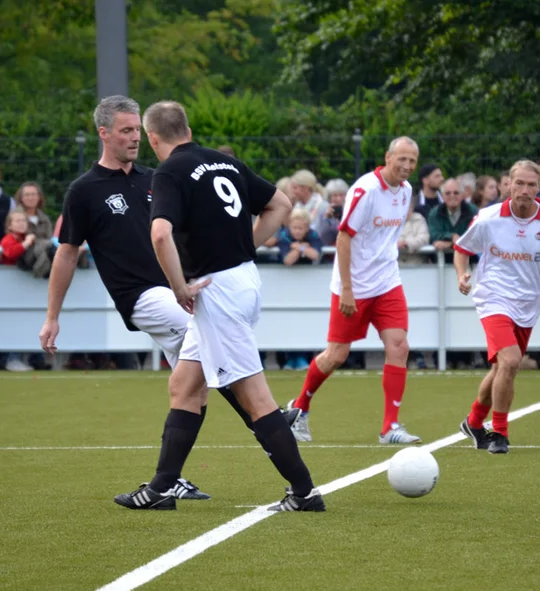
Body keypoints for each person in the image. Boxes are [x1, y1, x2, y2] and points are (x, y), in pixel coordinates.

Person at [38, 96, 287, 504]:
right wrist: (52, 316)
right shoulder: (83, 191)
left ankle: (171, 480)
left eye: (137, 130)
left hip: (181, 289)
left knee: (191, 385)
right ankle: (267, 416)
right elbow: (66, 253)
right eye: (125, 131)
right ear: (104, 134)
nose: (135, 138)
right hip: (143, 295)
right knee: (207, 343)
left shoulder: (158, 177)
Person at [134, 99, 323, 512]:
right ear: (187, 129)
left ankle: (305, 493)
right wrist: (243, 248)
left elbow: (160, 235)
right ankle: (162, 488)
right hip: (242, 280)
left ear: (152, 138)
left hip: (215, 290)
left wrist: (178, 287)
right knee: (184, 386)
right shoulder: (225, 163)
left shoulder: (169, 171)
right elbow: (281, 205)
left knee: (255, 399)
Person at [287, 137, 423, 445]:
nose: (406, 166)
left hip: (387, 282)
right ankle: (299, 408)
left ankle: (390, 428)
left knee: (399, 346)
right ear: (388, 157)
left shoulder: (406, 191)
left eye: (412, 161)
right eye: (401, 159)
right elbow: (344, 237)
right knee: (336, 355)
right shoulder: (366, 190)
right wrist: (347, 289)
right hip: (354, 286)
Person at [454, 159, 540, 454]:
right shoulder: (488, 217)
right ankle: (499, 433)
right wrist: (462, 275)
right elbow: (461, 250)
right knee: (512, 361)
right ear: (508, 185)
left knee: (503, 367)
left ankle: (473, 422)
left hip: (529, 305)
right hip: (493, 298)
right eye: (519, 183)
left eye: (531, 184)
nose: (525, 190)